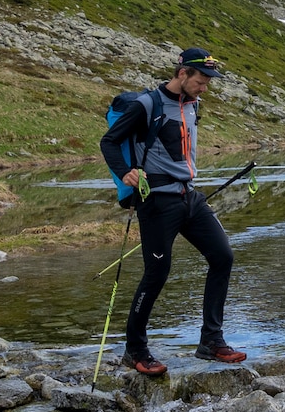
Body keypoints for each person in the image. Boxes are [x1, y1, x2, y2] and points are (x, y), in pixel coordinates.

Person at [98, 47, 245, 374]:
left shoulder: (193, 104)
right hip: (157, 202)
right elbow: (109, 142)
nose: (205, 86)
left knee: (223, 256)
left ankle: (211, 341)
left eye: (208, 81)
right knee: (157, 273)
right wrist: (125, 172)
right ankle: (135, 350)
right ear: (182, 74)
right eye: (202, 80)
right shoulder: (147, 105)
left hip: (189, 196)